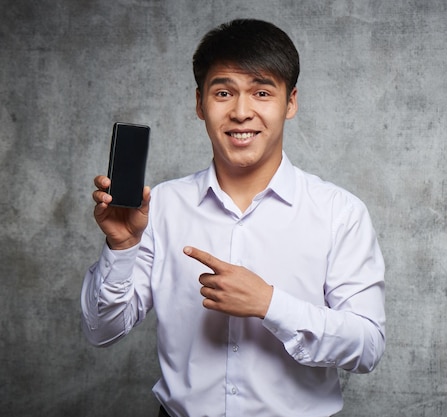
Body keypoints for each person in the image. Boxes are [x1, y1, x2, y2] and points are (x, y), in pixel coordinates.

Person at [81, 18, 385, 417]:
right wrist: (121, 247)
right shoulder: (162, 206)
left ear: (290, 102)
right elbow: (101, 331)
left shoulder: (339, 213)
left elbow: (367, 347)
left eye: (262, 92)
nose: (242, 112)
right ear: (199, 103)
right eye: (223, 92)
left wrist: (269, 304)